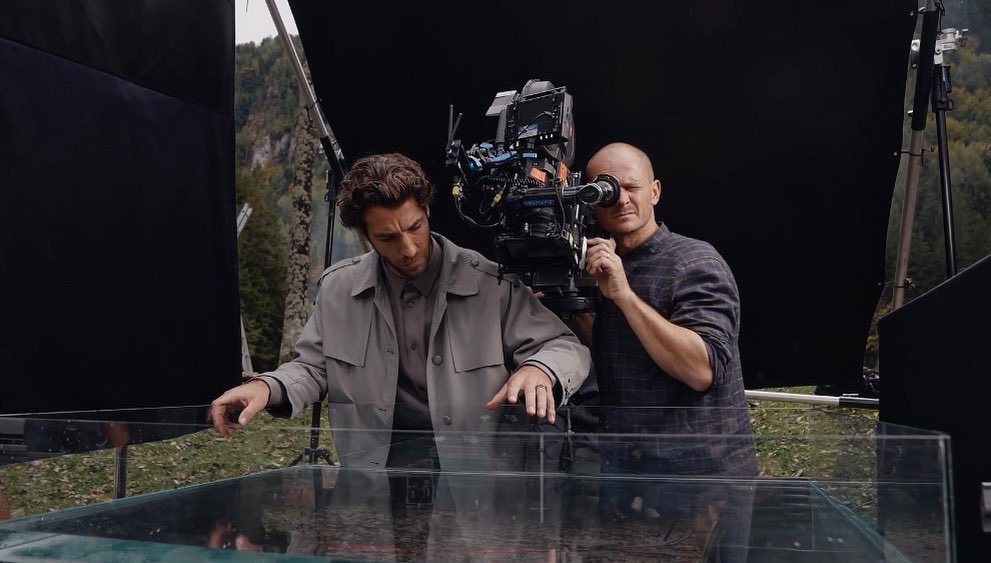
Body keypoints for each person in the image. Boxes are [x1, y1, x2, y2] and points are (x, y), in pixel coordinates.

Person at [209, 152, 591, 472]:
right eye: (388, 238)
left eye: (415, 227)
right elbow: (313, 368)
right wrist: (265, 387)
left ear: (427, 210)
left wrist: (539, 368)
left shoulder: (492, 284)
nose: (407, 248)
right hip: (374, 482)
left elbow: (565, 346)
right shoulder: (337, 290)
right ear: (364, 235)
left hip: (474, 484)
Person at [581, 142, 757, 559]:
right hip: (628, 474)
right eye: (607, 190)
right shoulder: (599, 266)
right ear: (590, 202)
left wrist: (624, 295)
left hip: (701, 481)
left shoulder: (694, 261)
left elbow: (701, 370)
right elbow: (618, 354)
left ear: (655, 191)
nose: (621, 200)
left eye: (631, 187)